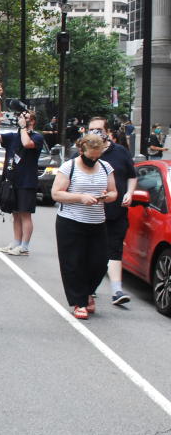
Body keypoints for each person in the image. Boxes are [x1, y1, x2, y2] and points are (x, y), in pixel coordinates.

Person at [51, 134, 118, 319]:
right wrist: (80, 197)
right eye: (91, 156)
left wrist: (107, 196)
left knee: (99, 263)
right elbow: (56, 194)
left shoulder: (105, 167)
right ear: (81, 151)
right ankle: (79, 302)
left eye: (98, 156)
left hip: (97, 221)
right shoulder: (69, 167)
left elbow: (113, 192)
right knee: (73, 262)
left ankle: (88, 292)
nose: (94, 159)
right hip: (71, 221)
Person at [85, 117, 137, 305]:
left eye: (99, 129)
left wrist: (129, 193)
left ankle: (117, 291)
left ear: (107, 132)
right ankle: (89, 287)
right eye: (91, 129)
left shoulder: (121, 152)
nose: (95, 133)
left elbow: (132, 176)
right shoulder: (84, 152)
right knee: (92, 252)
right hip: (91, 212)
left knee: (114, 250)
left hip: (116, 211)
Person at [0, 111, 44, 256]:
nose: (22, 120)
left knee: (25, 214)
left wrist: (23, 128)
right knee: (15, 213)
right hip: (12, 180)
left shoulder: (37, 137)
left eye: (26, 118)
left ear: (33, 121)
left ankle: (24, 246)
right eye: (21, 117)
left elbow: (26, 143)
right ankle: (16, 242)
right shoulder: (13, 136)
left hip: (27, 181)